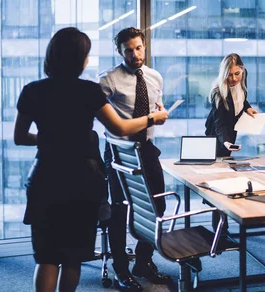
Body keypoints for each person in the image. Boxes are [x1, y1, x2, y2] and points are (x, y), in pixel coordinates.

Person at [14, 27, 168, 292]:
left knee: (47, 258)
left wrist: (52, 139)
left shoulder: (31, 90)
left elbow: (20, 137)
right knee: (72, 259)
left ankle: (142, 262)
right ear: (81, 60)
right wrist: (153, 119)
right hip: (80, 181)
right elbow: (119, 128)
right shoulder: (88, 90)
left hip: (44, 178)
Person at [99, 27, 170, 291]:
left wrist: (158, 114)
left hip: (147, 148)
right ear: (120, 51)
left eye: (138, 48)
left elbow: (154, 112)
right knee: (120, 210)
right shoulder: (108, 80)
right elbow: (105, 118)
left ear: (144, 46)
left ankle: (143, 261)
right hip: (119, 150)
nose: (135, 54)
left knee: (158, 207)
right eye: (128, 50)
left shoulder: (155, 77)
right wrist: (152, 118)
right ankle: (121, 269)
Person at [205, 53, 258, 157]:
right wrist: (225, 141)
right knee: (218, 167)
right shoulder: (218, 92)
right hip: (217, 135)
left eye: (237, 73)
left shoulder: (243, 75)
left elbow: (240, 95)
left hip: (231, 130)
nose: (234, 78)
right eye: (229, 75)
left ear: (242, 69)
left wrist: (247, 108)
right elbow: (219, 123)